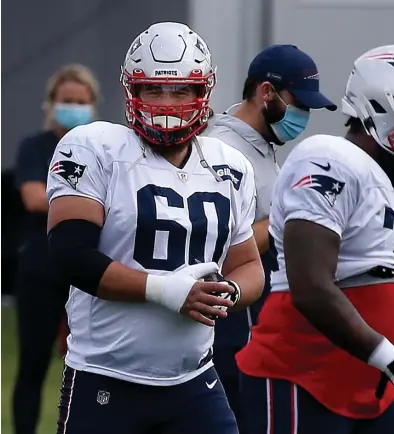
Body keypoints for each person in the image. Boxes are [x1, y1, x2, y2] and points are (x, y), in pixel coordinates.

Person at [46, 22, 264, 434]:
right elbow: (70, 256)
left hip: (196, 382)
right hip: (106, 378)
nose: (168, 102)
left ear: (203, 92)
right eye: (153, 89)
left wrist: (227, 293)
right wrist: (168, 291)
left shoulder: (230, 165)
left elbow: (249, 264)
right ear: (132, 90)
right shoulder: (95, 147)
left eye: (182, 89)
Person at [237, 44, 394, 434]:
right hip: (301, 378)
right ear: (381, 108)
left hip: (366, 382)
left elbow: (368, 250)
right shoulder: (330, 158)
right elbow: (312, 288)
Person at [207, 44, 336, 432]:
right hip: (230, 323)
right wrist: (291, 218)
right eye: (300, 104)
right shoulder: (222, 149)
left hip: (255, 317)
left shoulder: (259, 145)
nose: (304, 117)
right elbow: (221, 244)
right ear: (266, 93)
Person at [12, 63, 100, 434]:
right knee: (33, 365)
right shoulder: (35, 147)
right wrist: (89, 201)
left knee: (92, 367)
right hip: (41, 272)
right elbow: (33, 197)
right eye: (67, 101)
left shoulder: (101, 148)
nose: (74, 108)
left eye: (81, 102)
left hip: (88, 273)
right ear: (51, 104)